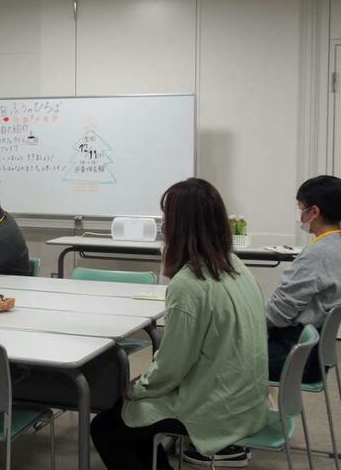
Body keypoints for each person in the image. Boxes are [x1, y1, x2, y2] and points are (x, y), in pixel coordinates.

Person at [90, 178, 268, 470]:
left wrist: (138, 387)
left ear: (179, 225)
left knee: (107, 428)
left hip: (214, 403)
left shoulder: (189, 283)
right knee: (129, 420)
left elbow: (172, 365)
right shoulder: (235, 265)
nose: (162, 223)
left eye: (165, 216)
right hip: (247, 397)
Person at [266, 175, 341, 382]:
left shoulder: (319, 253)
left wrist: (246, 326)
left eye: (300, 208)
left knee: (219, 358)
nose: (299, 214)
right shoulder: (340, 245)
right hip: (313, 354)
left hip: (296, 356)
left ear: (314, 212)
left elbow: (278, 314)